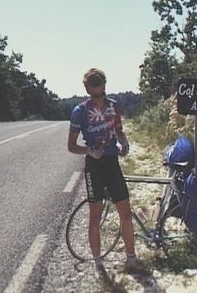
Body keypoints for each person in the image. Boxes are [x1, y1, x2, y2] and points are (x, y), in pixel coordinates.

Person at [67, 68, 138, 273]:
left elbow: (118, 130)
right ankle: (98, 262)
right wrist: (89, 150)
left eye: (101, 93)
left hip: (112, 163)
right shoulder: (80, 111)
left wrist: (124, 144)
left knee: (125, 211)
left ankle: (131, 258)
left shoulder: (114, 106)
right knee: (95, 216)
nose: (98, 98)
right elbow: (71, 146)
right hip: (94, 167)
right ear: (88, 90)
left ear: (105, 86)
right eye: (94, 94)